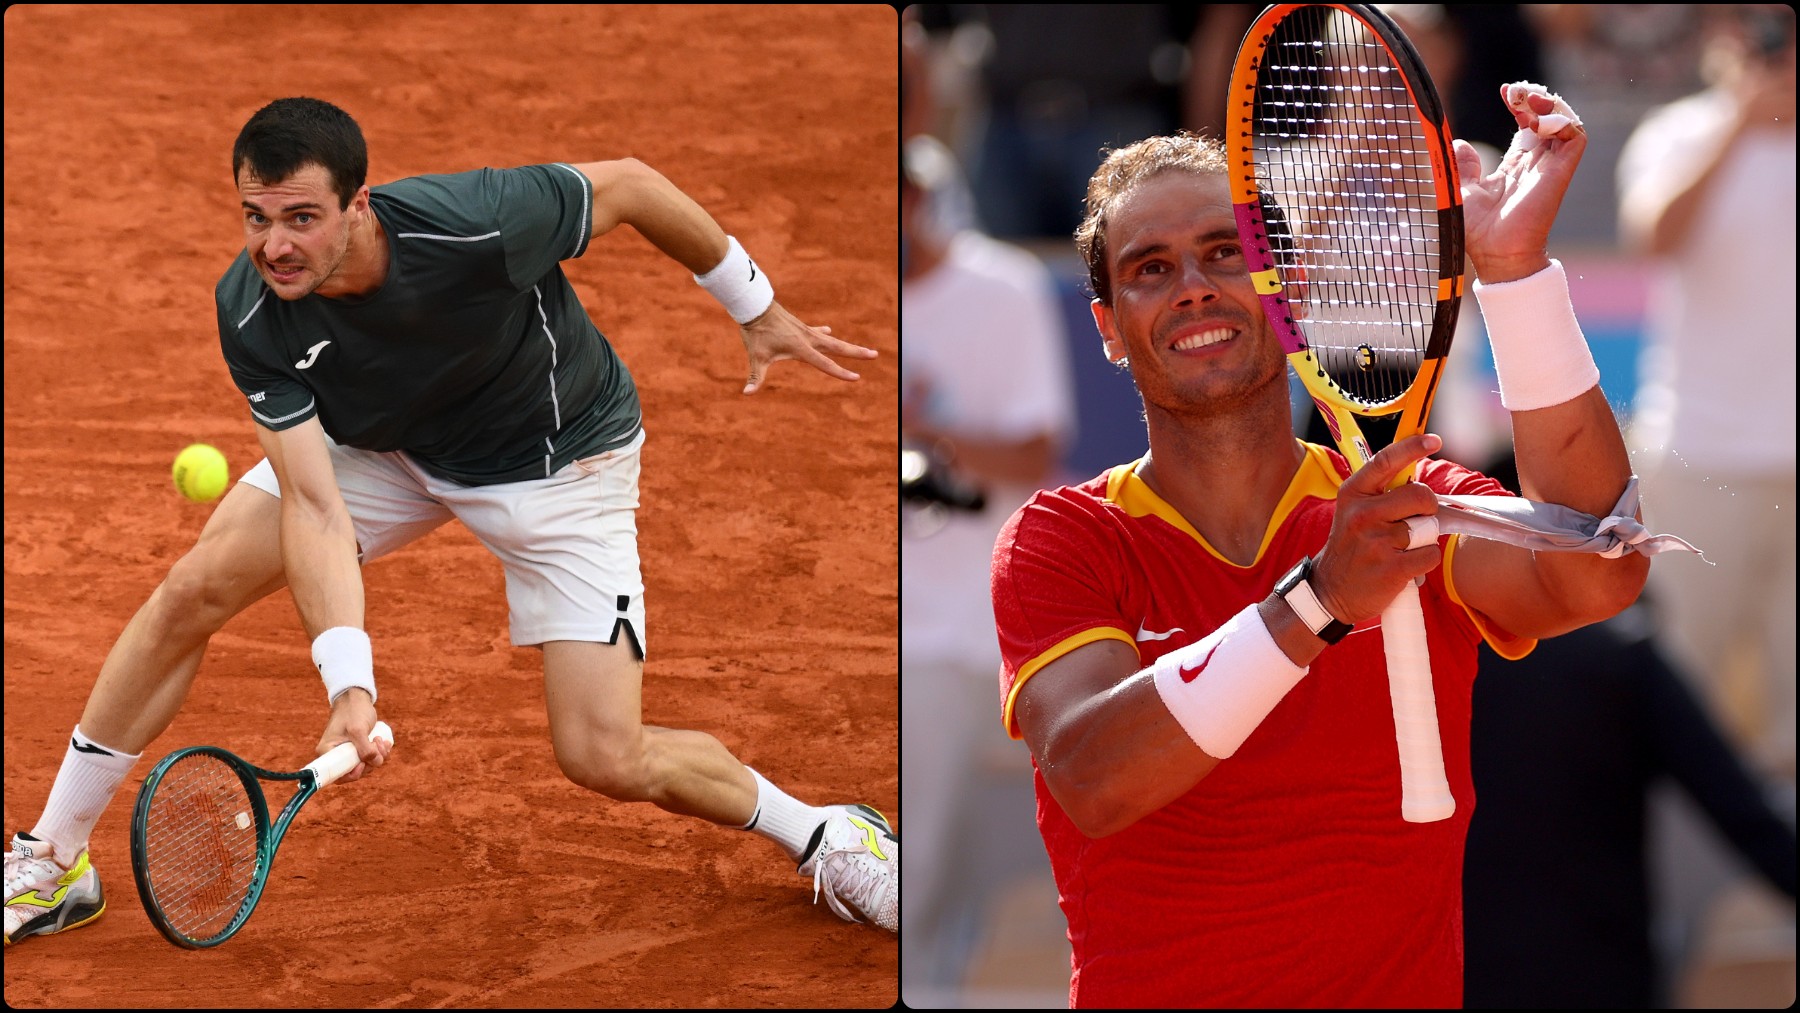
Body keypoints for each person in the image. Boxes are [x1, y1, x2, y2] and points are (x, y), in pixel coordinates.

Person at [3, 96, 897, 946]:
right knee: (193, 587)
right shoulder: (251, 311)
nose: (274, 246)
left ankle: (823, 833)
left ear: (359, 204)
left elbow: (627, 183)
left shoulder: (475, 223)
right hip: (388, 451)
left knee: (604, 753)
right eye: (255, 217)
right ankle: (53, 861)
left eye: (301, 218)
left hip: (557, 465)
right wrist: (349, 683)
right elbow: (314, 504)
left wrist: (755, 303)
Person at [990, 87, 1653, 1005]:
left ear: (1287, 289)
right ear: (1107, 327)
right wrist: (1320, 600)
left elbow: (1599, 570)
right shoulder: (1063, 539)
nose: (1193, 285)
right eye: (1150, 268)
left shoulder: (1405, 508)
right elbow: (1095, 778)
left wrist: (1514, 273)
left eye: (1225, 252)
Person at [899, 131, 1076, 994]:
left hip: (977, 627)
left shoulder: (999, 289)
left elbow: (1036, 450)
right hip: (892, 633)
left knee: (943, 865)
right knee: (909, 864)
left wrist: (917, 430)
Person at [1617, 4, 1796, 784]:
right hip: (1701, 458)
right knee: (1688, 703)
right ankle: (1686, 903)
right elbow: (1651, 237)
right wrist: (1740, 125)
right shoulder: (1680, 133)